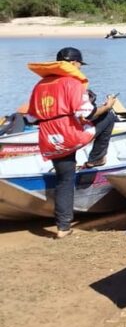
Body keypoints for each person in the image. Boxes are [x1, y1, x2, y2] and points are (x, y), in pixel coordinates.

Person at [25, 47, 118, 238]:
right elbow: (88, 114)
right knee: (108, 116)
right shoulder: (73, 82)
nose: (80, 68)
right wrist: (107, 105)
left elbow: (31, 119)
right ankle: (97, 159)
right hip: (72, 135)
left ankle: (63, 228)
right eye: (79, 64)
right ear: (74, 64)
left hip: (49, 138)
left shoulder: (40, 85)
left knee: (64, 180)